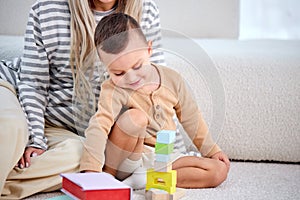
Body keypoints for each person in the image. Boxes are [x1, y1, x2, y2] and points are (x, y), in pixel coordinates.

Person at [0, 0, 165, 199]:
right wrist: (35, 138)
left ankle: (6, 184)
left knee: (81, 157)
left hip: (68, 130)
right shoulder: (46, 9)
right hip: (14, 90)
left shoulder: (146, 10)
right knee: (9, 127)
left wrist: (165, 146)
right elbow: (33, 83)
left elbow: (155, 85)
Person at [80, 13, 230, 189]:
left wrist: (212, 150)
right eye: (118, 73)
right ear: (106, 67)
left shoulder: (173, 80)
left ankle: (147, 180)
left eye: (137, 66)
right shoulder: (113, 89)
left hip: (162, 157)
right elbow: (99, 125)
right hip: (128, 158)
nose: (131, 77)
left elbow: (192, 119)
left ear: (149, 50)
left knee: (218, 171)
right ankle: (110, 179)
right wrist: (92, 169)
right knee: (136, 118)